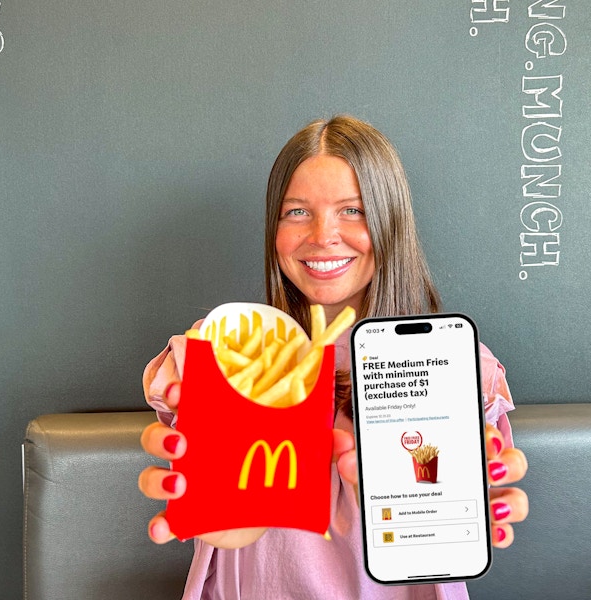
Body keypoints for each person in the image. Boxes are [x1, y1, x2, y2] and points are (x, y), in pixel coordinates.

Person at [138, 115, 529, 599]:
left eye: (353, 210)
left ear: (390, 221)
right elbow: (228, 530)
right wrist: (219, 513)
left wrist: (463, 503)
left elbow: (457, 515)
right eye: (297, 212)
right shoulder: (227, 348)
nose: (323, 235)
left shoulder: (449, 366)